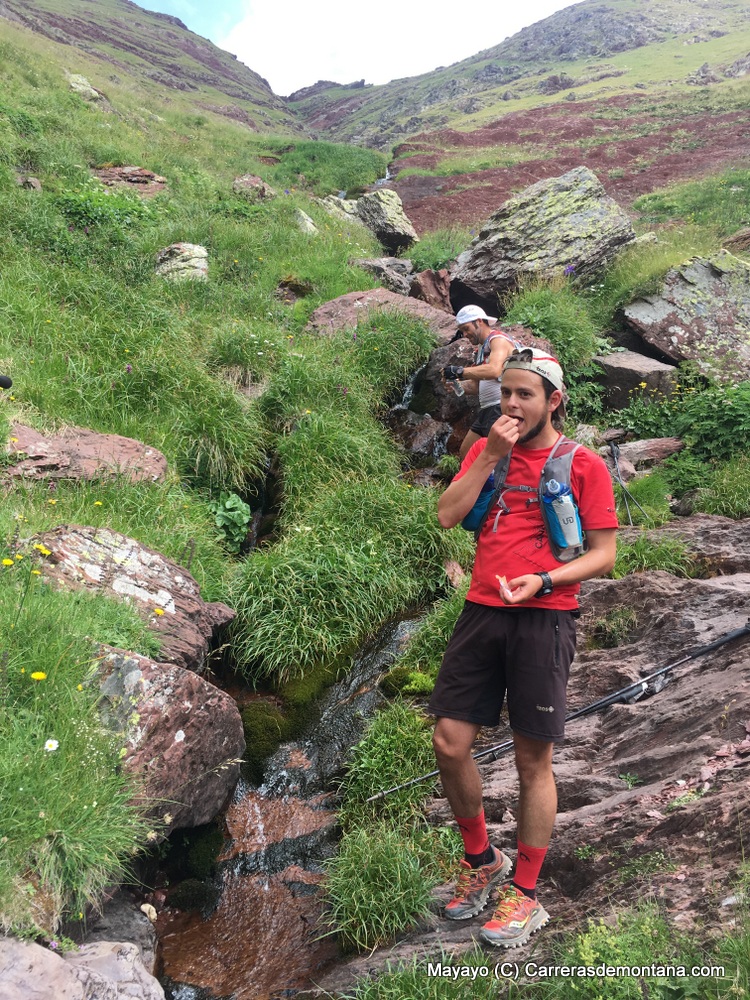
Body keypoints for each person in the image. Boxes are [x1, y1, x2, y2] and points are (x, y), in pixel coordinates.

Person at [429, 347, 618, 949]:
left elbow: (604, 555)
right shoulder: (488, 451)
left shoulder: (583, 464)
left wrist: (545, 580)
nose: (511, 404)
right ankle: (482, 860)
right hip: (481, 610)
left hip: (545, 619)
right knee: (449, 742)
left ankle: (526, 893)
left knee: (532, 760)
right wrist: (489, 455)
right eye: (506, 392)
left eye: (525, 395)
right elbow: (446, 516)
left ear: (553, 401)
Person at [442, 305, 520, 460]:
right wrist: (457, 385)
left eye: (466, 329)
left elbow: (494, 370)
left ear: (479, 321)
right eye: (462, 331)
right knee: (466, 453)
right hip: (487, 410)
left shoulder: (498, 340)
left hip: (500, 408)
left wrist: (459, 371)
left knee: (492, 459)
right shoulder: (481, 350)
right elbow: (476, 386)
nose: (465, 334)